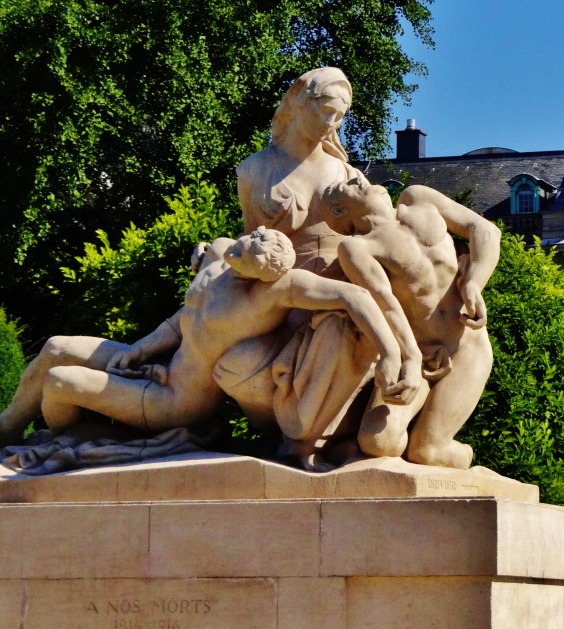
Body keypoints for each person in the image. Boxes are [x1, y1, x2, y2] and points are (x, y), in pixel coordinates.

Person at [0, 228, 400, 452]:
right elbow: (181, 322)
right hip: (152, 362)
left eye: (251, 250)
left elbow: (355, 296)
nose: (248, 238)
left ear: (262, 273)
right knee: (54, 347)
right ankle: (7, 430)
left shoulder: (275, 292)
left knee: (60, 382)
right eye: (253, 236)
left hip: (176, 399)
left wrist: (392, 354)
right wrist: (141, 349)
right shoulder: (223, 256)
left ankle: (64, 439)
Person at [323, 178, 500, 470]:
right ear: (341, 212)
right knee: (379, 443)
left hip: (467, 346)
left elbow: (484, 229)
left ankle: (464, 460)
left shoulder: (419, 198)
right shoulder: (357, 249)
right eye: (348, 187)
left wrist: (474, 282)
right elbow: (386, 305)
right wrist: (411, 358)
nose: (359, 178)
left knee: (428, 452)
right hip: (420, 356)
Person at [236, 66, 367, 278]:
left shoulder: (350, 177)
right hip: (280, 288)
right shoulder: (254, 170)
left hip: (343, 280)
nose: (330, 123)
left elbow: (380, 234)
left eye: (339, 116)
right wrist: (216, 253)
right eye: (326, 111)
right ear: (301, 103)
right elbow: (250, 236)